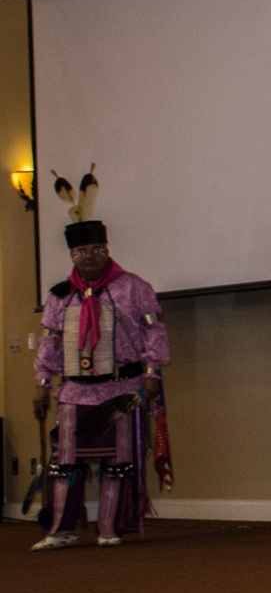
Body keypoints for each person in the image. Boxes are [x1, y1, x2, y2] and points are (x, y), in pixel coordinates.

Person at [32, 218, 170, 551]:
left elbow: (155, 331)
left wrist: (151, 373)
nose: (90, 256)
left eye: (97, 250)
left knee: (119, 463)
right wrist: (42, 383)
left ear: (107, 251)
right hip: (74, 391)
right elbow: (49, 343)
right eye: (82, 251)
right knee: (65, 463)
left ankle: (110, 527)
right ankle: (61, 530)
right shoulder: (60, 295)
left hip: (121, 389)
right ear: (72, 255)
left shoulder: (134, 287)